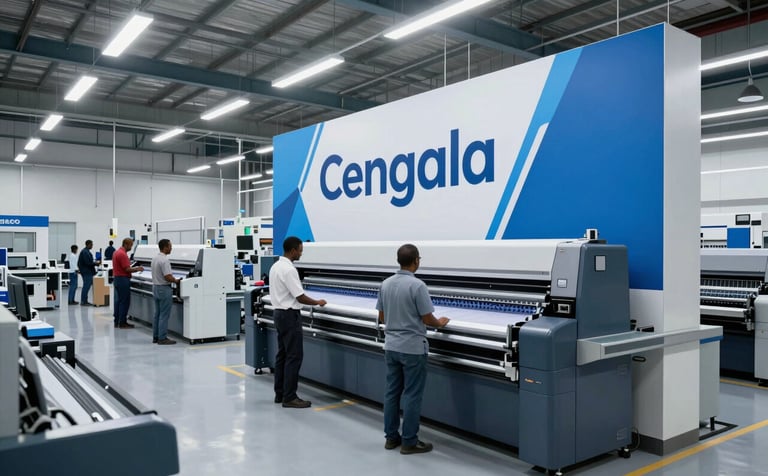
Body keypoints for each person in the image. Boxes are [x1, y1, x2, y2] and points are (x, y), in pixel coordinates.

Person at [376, 244, 449, 455]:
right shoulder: (418, 286)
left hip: (391, 346)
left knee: (391, 393)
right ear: (416, 260)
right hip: (412, 349)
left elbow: (382, 317)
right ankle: (409, 441)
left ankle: (391, 438)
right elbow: (428, 318)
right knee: (412, 395)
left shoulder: (386, 284)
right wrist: (441, 322)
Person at [269, 236, 327, 409]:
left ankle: (280, 393)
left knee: (282, 355)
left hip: (278, 313)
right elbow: (299, 296)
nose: (301, 253)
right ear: (293, 250)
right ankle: (290, 397)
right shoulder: (289, 270)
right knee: (294, 356)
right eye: (300, 250)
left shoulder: (275, 266)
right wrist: (318, 302)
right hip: (289, 316)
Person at [151, 239, 180, 345]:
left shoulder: (154, 258)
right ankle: (162, 338)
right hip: (164, 289)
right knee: (164, 315)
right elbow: (167, 276)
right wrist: (176, 280)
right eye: (170, 246)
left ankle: (156, 336)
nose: (171, 248)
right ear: (165, 247)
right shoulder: (164, 260)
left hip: (155, 288)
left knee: (157, 314)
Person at [112, 238, 144, 329]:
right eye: (130, 245)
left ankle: (117, 321)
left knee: (118, 301)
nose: (131, 247)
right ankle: (122, 322)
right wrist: (138, 268)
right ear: (125, 244)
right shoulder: (122, 254)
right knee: (124, 301)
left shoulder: (116, 252)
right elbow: (127, 269)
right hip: (123, 280)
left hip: (117, 279)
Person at [77, 239, 100, 306]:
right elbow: (88, 263)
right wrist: (95, 263)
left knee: (86, 286)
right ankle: (83, 301)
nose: (92, 246)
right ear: (88, 244)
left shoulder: (86, 251)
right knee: (86, 287)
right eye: (91, 244)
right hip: (87, 272)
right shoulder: (85, 252)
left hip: (86, 271)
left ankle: (85, 301)